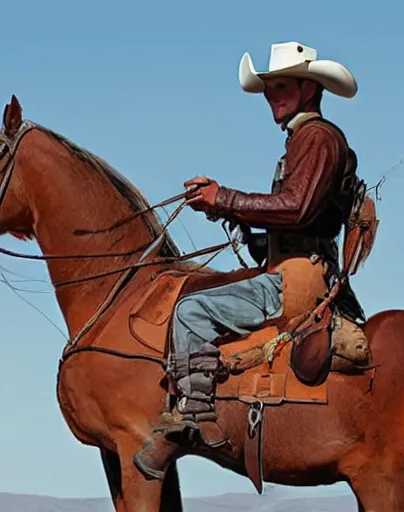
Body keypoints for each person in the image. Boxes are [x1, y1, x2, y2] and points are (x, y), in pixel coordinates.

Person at [134, 41, 363, 480]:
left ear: (309, 89)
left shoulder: (317, 137)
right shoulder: (304, 138)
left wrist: (224, 198)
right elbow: (297, 219)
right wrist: (228, 212)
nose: (271, 95)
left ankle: (193, 418)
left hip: (298, 280)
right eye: (267, 87)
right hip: (290, 267)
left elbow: (295, 207)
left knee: (191, 309)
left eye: (281, 85)